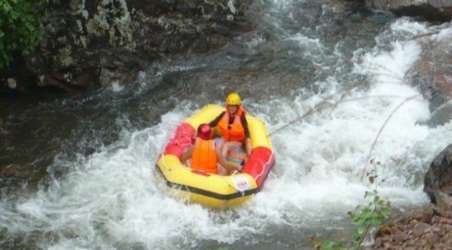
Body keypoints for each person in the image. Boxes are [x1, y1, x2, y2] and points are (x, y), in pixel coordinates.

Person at [209, 92, 251, 172]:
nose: (232, 108)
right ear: (227, 106)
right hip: (226, 138)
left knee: (226, 146)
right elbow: (213, 123)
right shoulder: (224, 114)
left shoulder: (241, 117)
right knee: (219, 145)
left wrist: (248, 145)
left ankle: (222, 167)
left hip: (237, 142)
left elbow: (246, 132)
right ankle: (214, 163)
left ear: (238, 107)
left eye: (234, 107)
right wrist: (203, 129)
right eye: (230, 106)